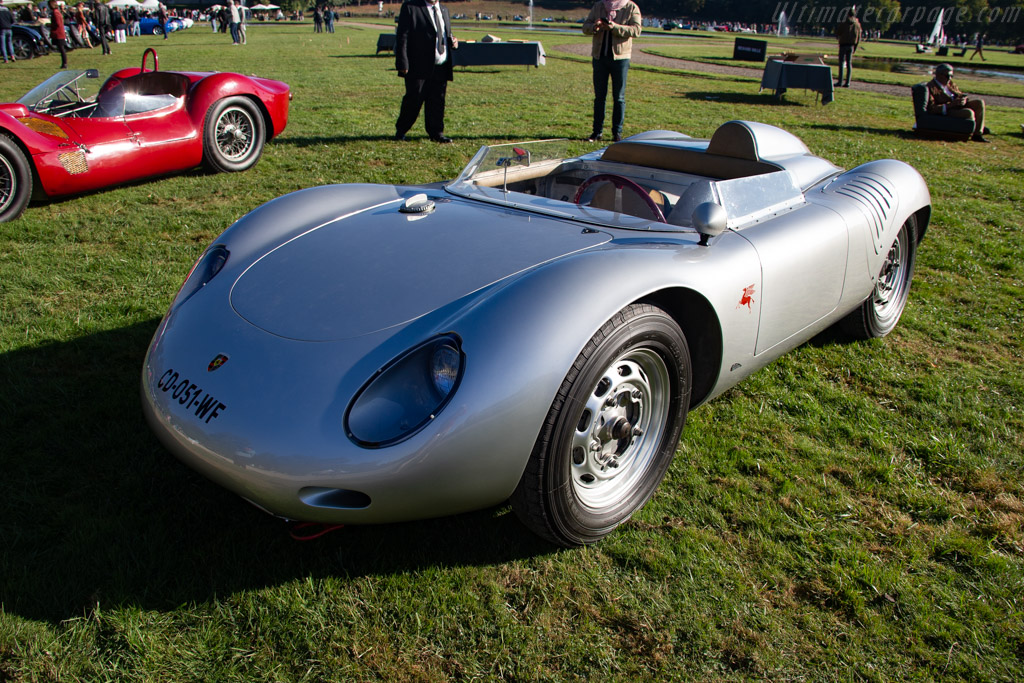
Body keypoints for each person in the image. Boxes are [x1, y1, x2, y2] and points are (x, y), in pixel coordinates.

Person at [394, 0, 458, 143]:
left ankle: (436, 133)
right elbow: (403, 36)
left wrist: (453, 41)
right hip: (418, 66)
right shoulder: (411, 7)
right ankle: (401, 131)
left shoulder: (444, 10)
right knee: (414, 99)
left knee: (437, 101)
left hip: (441, 65)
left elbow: (444, 33)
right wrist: (402, 62)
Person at [582, 0, 641, 142]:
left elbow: (636, 30)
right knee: (599, 97)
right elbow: (585, 27)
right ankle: (597, 132)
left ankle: (617, 133)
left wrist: (614, 27)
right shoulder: (599, 6)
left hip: (620, 59)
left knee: (619, 98)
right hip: (599, 57)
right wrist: (595, 27)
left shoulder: (631, 7)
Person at [926, 63, 988, 142]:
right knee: (969, 113)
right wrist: (951, 104)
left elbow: (960, 94)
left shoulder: (950, 84)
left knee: (979, 103)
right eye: (947, 76)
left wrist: (963, 99)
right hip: (948, 110)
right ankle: (970, 132)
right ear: (938, 75)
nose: (949, 78)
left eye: (951, 76)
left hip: (958, 106)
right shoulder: (931, 87)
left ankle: (978, 132)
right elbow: (932, 108)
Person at [834, 6, 861, 87]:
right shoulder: (857, 24)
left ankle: (840, 81)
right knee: (849, 64)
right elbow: (858, 37)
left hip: (843, 45)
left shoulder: (844, 23)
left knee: (841, 63)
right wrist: (855, 47)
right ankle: (847, 82)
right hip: (851, 45)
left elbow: (838, 33)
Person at [47, 0, 68, 68]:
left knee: (62, 49)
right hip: (60, 32)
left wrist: (50, 25)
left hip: (58, 33)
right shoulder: (57, 12)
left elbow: (58, 24)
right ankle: (64, 63)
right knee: (61, 49)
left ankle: (64, 63)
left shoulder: (55, 13)